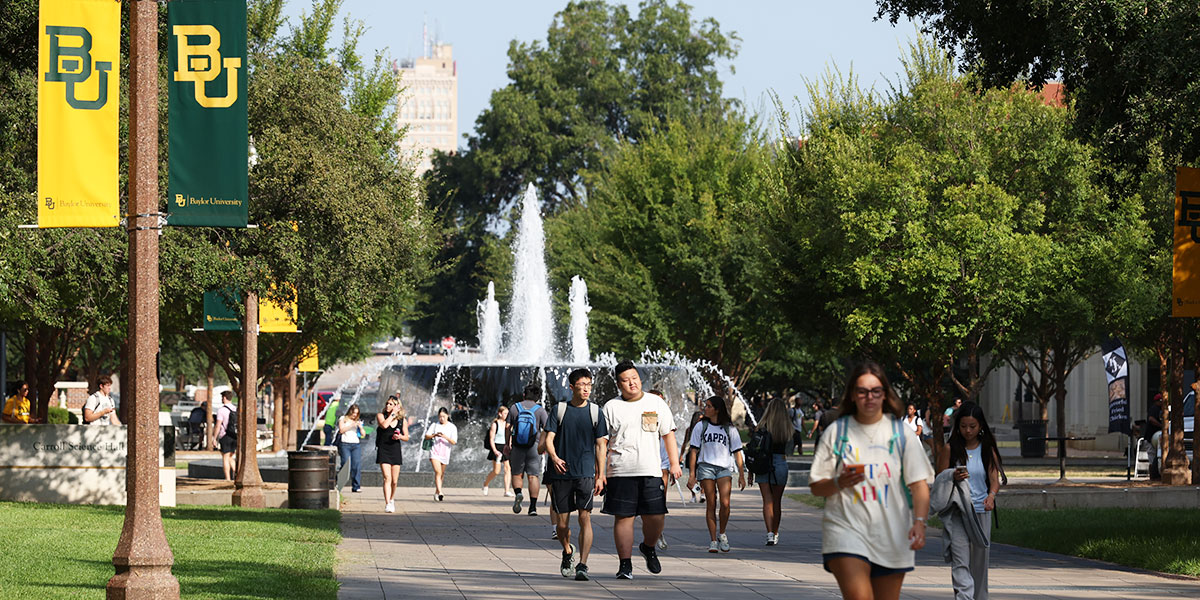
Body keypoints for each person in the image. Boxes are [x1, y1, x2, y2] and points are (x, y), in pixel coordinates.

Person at [809, 362, 934, 600]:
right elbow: (816, 486)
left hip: (892, 534)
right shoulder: (837, 433)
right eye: (862, 391)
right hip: (845, 530)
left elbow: (919, 485)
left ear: (885, 394)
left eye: (875, 391)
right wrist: (839, 482)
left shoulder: (901, 434)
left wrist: (920, 523)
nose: (869, 397)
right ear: (853, 395)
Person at [600, 361, 681, 580]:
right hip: (620, 471)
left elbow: (668, 434)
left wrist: (674, 464)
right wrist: (600, 474)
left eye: (634, 378)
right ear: (619, 384)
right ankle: (625, 564)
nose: (631, 383)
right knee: (624, 518)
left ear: (639, 378)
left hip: (651, 470)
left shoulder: (656, 403)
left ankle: (648, 546)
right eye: (626, 380)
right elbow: (601, 443)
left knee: (656, 517)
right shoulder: (610, 407)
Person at [545, 368, 608, 581]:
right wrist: (554, 458)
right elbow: (548, 439)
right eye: (582, 385)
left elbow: (601, 446)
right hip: (561, 473)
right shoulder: (559, 410)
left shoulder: (595, 412)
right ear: (572, 387)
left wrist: (601, 475)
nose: (586, 389)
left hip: (585, 473)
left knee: (585, 518)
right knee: (562, 525)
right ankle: (567, 550)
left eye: (589, 385)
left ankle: (583, 564)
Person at [938, 402, 1005, 600]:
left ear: (980, 426)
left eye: (972, 426)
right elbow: (939, 477)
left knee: (979, 562)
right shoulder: (950, 449)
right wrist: (952, 476)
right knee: (960, 561)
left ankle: (980, 597)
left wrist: (991, 496)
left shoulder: (987, 450)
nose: (968, 431)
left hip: (981, 512)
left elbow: (994, 481)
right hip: (958, 512)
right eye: (964, 426)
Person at [686, 395, 745, 553]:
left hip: (724, 468)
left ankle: (722, 534)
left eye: (709, 406)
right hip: (706, 467)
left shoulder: (729, 428)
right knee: (711, 503)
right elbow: (693, 451)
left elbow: (737, 451)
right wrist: (692, 474)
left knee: (725, 503)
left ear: (717, 410)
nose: (705, 408)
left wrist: (741, 473)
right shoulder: (701, 426)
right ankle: (713, 540)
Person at [506, 383, 549, 516]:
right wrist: (544, 445)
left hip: (518, 445)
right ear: (537, 397)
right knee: (533, 476)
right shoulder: (540, 410)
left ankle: (518, 493)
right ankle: (533, 507)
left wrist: (507, 444)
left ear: (524, 394)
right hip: (534, 447)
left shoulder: (515, 408)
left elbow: (508, 427)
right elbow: (546, 429)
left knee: (517, 474)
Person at [755, 397, 793, 546]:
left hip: (764, 462)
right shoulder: (788, 428)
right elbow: (790, 449)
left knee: (767, 501)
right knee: (777, 501)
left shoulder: (762, 426)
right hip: (781, 462)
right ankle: (776, 532)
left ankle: (769, 533)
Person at [376, 395, 409, 512]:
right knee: (387, 478)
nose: (388, 406)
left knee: (394, 481)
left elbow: (407, 437)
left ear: (397, 406)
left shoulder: (402, 420)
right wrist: (392, 414)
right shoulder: (381, 416)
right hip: (383, 449)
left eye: (391, 404)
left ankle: (392, 498)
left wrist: (400, 436)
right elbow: (384, 425)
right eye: (387, 403)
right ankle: (387, 503)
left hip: (395, 450)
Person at [425, 407, 458, 502]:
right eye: (440, 417)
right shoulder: (434, 425)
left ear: (448, 416)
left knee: (441, 474)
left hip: (445, 453)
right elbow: (427, 436)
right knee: (438, 472)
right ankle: (440, 492)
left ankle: (436, 492)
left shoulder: (452, 427)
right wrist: (434, 435)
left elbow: (454, 441)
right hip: (434, 452)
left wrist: (445, 437)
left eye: (443, 416)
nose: (442, 419)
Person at [482, 405, 514, 496]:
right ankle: (486, 483)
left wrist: (510, 445)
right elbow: (491, 439)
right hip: (497, 447)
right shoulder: (495, 424)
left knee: (508, 468)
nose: (507, 415)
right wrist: (495, 450)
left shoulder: (508, 424)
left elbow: (510, 436)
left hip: (505, 446)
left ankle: (507, 490)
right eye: (505, 413)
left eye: (508, 413)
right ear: (500, 414)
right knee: (496, 471)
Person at [337, 404, 366, 493]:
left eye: (356, 413)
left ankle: (356, 486)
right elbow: (341, 430)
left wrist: (360, 427)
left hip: (355, 445)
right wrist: (351, 425)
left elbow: (363, 435)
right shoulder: (343, 419)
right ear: (350, 411)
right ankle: (338, 483)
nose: (354, 415)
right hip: (345, 444)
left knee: (356, 465)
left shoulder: (357, 421)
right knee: (345, 464)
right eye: (353, 413)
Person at [681, 410, 706, 503]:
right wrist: (681, 456)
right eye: (699, 419)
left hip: (702, 454)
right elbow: (685, 443)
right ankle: (694, 494)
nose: (700, 421)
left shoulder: (705, 428)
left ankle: (702, 494)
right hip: (691, 454)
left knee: (702, 477)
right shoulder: (689, 430)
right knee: (692, 478)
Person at [215, 390, 237, 481]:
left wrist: (214, 438)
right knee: (230, 456)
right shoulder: (235, 409)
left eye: (222, 397)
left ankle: (227, 478)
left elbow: (218, 425)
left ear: (224, 398)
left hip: (225, 436)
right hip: (234, 436)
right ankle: (236, 474)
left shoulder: (221, 410)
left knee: (225, 457)